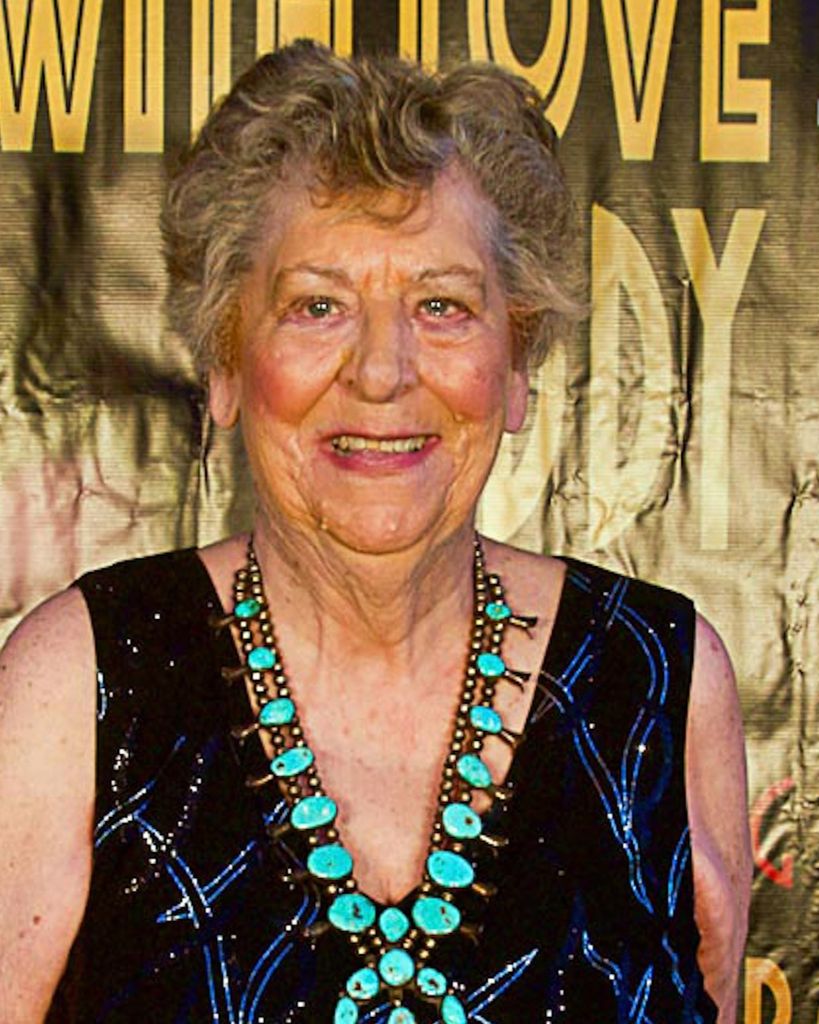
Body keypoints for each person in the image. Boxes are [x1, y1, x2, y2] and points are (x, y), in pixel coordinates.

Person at [0, 41, 750, 1023]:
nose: (383, 371)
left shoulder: (660, 678)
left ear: (515, 367)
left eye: (442, 305)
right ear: (225, 361)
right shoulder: (75, 684)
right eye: (318, 306)